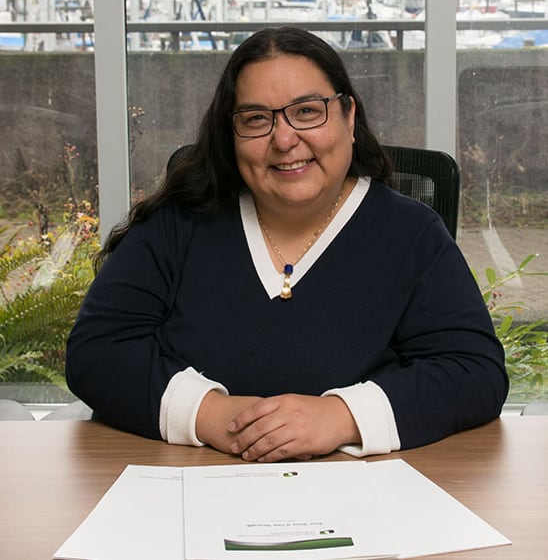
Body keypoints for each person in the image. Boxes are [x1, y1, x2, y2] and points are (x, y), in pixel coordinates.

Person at [65, 26, 508, 463]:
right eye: (256, 119)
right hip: (190, 488)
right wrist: (214, 415)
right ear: (231, 135)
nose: (284, 139)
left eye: (308, 111)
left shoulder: (412, 233)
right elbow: (97, 352)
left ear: (348, 117)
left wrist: (340, 417)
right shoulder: (177, 224)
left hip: (363, 494)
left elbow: (474, 372)